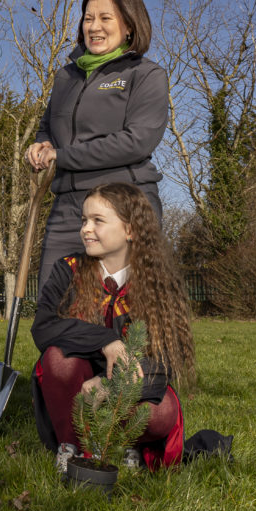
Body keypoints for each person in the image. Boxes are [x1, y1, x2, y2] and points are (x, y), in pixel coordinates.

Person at [30, 182, 196, 472]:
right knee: (57, 358)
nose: (85, 229)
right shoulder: (67, 269)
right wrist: (106, 341)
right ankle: (72, 448)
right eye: (84, 220)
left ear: (130, 230)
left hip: (130, 384)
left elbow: (166, 361)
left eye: (98, 221)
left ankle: (123, 446)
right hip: (75, 386)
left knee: (162, 411)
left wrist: (110, 384)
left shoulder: (158, 282)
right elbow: (43, 328)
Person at [25, 0, 169, 290]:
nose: (94, 26)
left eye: (106, 18)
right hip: (69, 207)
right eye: (88, 18)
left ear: (129, 25)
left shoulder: (145, 75)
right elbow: (49, 125)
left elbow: (137, 142)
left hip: (124, 203)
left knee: (126, 317)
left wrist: (61, 156)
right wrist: (42, 144)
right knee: (54, 310)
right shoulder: (66, 77)